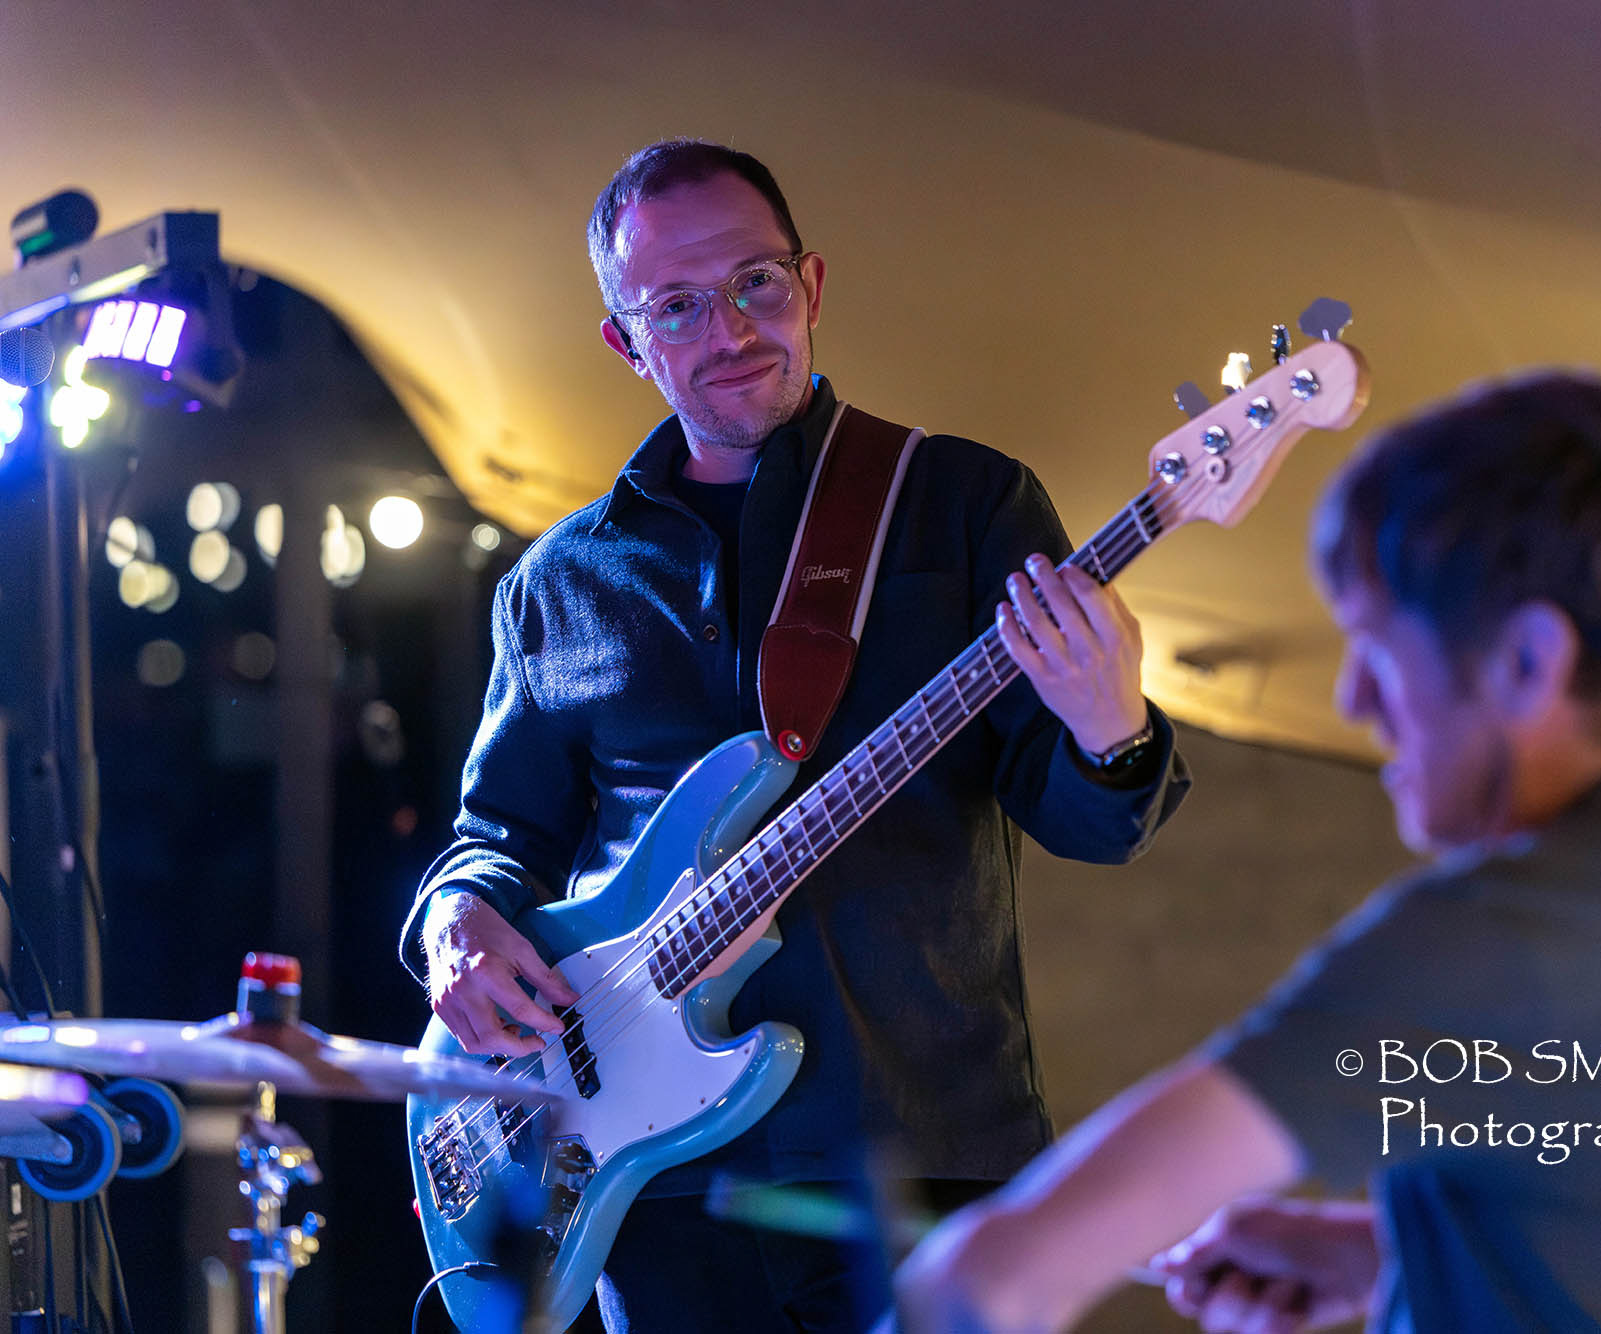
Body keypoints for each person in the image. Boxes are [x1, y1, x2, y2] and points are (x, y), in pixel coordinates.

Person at [888, 371, 1601, 1333]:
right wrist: (1379, 1256)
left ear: (1529, 660)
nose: (1353, 699)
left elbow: (991, 1279)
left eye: (1376, 645)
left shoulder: (1510, 934)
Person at [398, 139, 1190, 1332]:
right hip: (651, 1184)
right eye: (676, 305)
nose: (729, 329)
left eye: (754, 283)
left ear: (809, 284)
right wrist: (455, 918)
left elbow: (1092, 821)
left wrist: (1106, 722)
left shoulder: (961, 502)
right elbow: (499, 832)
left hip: (914, 1145)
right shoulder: (558, 581)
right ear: (625, 341)